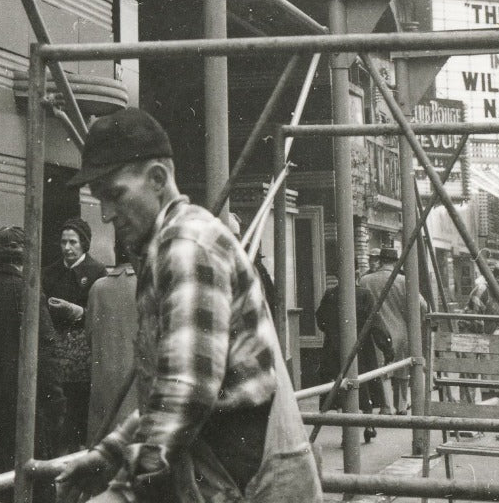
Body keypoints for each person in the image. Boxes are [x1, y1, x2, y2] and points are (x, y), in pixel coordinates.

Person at [55, 109, 323, 502]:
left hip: (247, 476)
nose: (108, 214)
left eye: (115, 195)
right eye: (100, 201)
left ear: (158, 179)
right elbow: (168, 391)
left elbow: (187, 390)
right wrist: (107, 456)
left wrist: (121, 491)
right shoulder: (168, 246)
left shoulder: (185, 247)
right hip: (231, 467)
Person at [0, 226, 65, 482]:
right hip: (22, 410)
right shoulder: (28, 293)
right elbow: (47, 353)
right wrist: (55, 403)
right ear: (26, 257)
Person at [43, 216, 107, 451]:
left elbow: (100, 313)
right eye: (63, 242)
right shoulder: (49, 273)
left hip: (82, 352)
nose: (67, 248)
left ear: (84, 244)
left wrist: (77, 311)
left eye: (73, 242)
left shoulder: (97, 271)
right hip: (55, 347)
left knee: (78, 403)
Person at [315, 278, 394, 442]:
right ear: (356, 273)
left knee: (340, 388)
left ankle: (347, 432)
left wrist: (333, 331)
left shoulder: (330, 294)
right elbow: (376, 323)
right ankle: (368, 424)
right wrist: (387, 348)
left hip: (334, 349)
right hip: (362, 349)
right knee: (364, 387)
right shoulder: (364, 294)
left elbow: (320, 319)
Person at [360, 246, 426, 415]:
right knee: (402, 370)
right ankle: (402, 406)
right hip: (402, 331)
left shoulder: (366, 280)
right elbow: (422, 305)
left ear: (380, 261)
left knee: (381, 370)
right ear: (396, 262)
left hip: (377, 332)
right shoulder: (404, 281)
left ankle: (385, 406)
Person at [85, 237, 138, 443]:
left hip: (105, 382)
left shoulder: (98, 288)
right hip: (139, 384)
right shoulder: (148, 284)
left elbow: (90, 334)